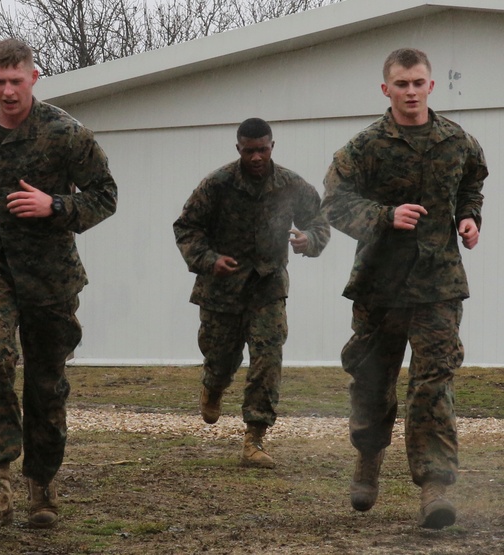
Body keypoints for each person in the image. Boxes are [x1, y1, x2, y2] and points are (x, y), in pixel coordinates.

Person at [0, 38, 117, 530]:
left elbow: (105, 195)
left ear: (34, 77)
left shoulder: (66, 133)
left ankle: (42, 484)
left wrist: (55, 205)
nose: (8, 90)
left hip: (49, 272)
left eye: (17, 81)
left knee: (45, 381)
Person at [321, 48, 487, 529]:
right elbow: (334, 202)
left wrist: (469, 217)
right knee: (372, 382)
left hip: (438, 285)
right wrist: (383, 216)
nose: (411, 91)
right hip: (380, 287)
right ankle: (368, 460)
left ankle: (435, 484)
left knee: (433, 385)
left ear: (431, 86)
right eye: (402, 84)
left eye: (418, 83)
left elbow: (471, 183)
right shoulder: (365, 146)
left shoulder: (458, 141)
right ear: (386, 89)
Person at [173, 118, 330, 469]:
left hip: (268, 287)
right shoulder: (217, 185)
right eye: (249, 151)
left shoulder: (291, 186)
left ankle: (254, 438)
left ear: (272, 146)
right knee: (221, 358)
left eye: (262, 149)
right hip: (221, 290)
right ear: (238, 149)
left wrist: (310, 241)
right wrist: (209, 260)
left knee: (267, 358)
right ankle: (213, 385)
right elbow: (186, 228)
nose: (256, 157)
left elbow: (319, 222)